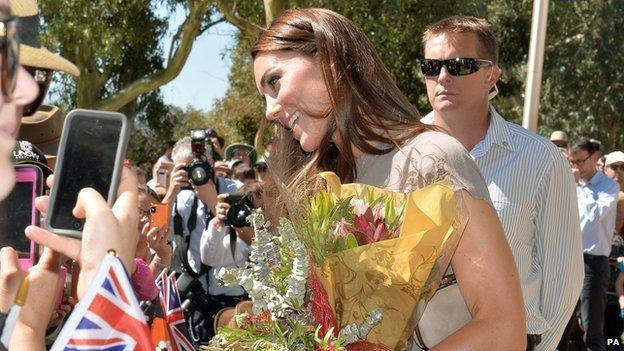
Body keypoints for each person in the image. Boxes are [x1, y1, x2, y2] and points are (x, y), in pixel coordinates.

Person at [251, 8, 525, 350]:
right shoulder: (321, 188)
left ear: (330, 61)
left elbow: (503, 329)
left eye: (274, 82)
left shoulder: (432, 159)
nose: (270, 110)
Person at [419, 15, 583, 351]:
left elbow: (563, 279)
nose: (443, 77)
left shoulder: (541, 159)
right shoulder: (398, 152)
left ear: (491, 75)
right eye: (431, 67)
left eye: (459, 65)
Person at [162, 136, 240, 344]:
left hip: (238, 302)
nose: (197, 173)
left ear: (211, 162)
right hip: (201, 305)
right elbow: (152, 229)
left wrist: (212, 199)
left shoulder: (236, 190)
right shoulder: (183, 199)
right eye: (188, 169)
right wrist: (170, 193)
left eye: (200, 165)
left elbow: (244, 239)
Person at [569, 138, 619, 351]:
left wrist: (578, 187)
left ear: (595, 159)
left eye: (580, 161)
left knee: (592, 329)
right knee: (561, 325)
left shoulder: (609, 186)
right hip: (569, 259)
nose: (576, 167)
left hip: (593, 264)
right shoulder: (571, 183)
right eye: (573, 162)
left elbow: (595, 215)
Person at [604, 151, 624, 341]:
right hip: (595, 288)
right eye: (614, 166)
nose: (619, 171)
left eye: (622, 167)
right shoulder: (596, 197)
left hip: (618, 295)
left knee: (613, 340)